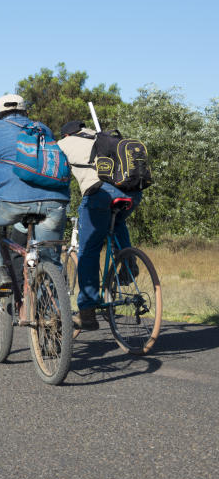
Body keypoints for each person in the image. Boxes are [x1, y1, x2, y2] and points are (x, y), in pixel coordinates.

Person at [0, 94, 70, 295]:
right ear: (26, 112)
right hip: (55, 201)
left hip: (11, 201)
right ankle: (53, 313)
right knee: (49, 260)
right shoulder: (43, 129)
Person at [58, 120, 143, 331]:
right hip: (132, 192)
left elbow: (57, 179)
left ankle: (87, 313)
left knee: (89, 250)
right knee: (118, 220)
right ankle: (128, 260)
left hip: (100, 194)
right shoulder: (103, 137)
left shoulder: (62, 145)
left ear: (67, 135)